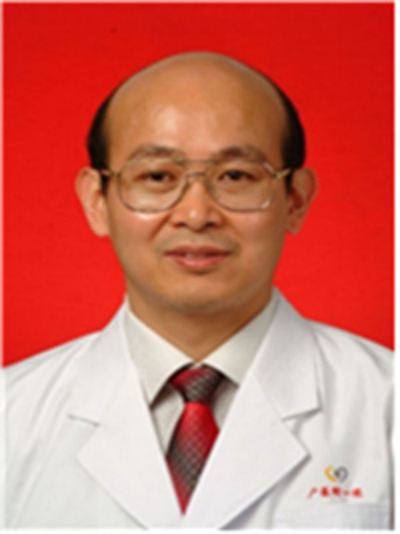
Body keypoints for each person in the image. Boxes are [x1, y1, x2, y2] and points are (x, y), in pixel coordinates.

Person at [3, 52, 393, 530]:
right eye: (157, 177)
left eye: (236, 176)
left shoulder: (385, 405)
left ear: (295, 199)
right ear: (96, 201)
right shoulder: (11, 417)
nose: (196, 214)